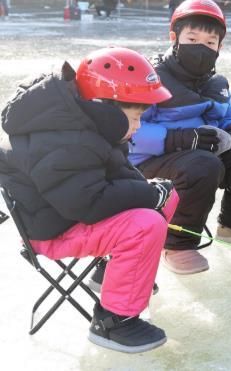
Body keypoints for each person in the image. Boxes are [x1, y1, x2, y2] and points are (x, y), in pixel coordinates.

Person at [0, 47, 178, 353]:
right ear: (104, 107)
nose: (138, 126)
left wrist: (153, 192)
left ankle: (113, 274)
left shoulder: (88, 125)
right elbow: (87, 203)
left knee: (167, 197)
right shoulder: (64, 140)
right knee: (146, 224)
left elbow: (115, 175)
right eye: (135, 117)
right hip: (54, 231)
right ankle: (114, 322)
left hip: (72, 215)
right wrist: (148, 195)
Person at [129, 0, 231, 275]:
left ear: (220, 47)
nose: (201, 48)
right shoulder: (151, 77)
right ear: (174, 37)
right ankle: (176, 244)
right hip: (147, 166)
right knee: (203, 164)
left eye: (210, 43)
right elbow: (128, 132)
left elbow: (229, 118)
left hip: (198, 162)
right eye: (192, 39)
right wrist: (179, 138)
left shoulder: (215, 83)